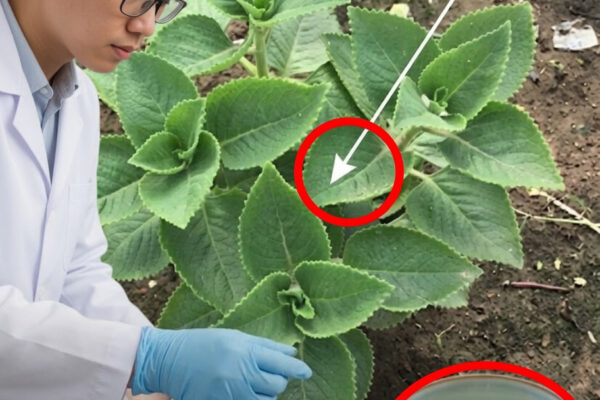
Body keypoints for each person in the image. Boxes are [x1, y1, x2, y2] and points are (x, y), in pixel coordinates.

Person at [0, 0, 313, 399]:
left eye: (162, 3)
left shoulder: (74, 100)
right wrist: (145, 358)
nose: (147, 26)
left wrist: (147, 370)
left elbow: (74, 272)